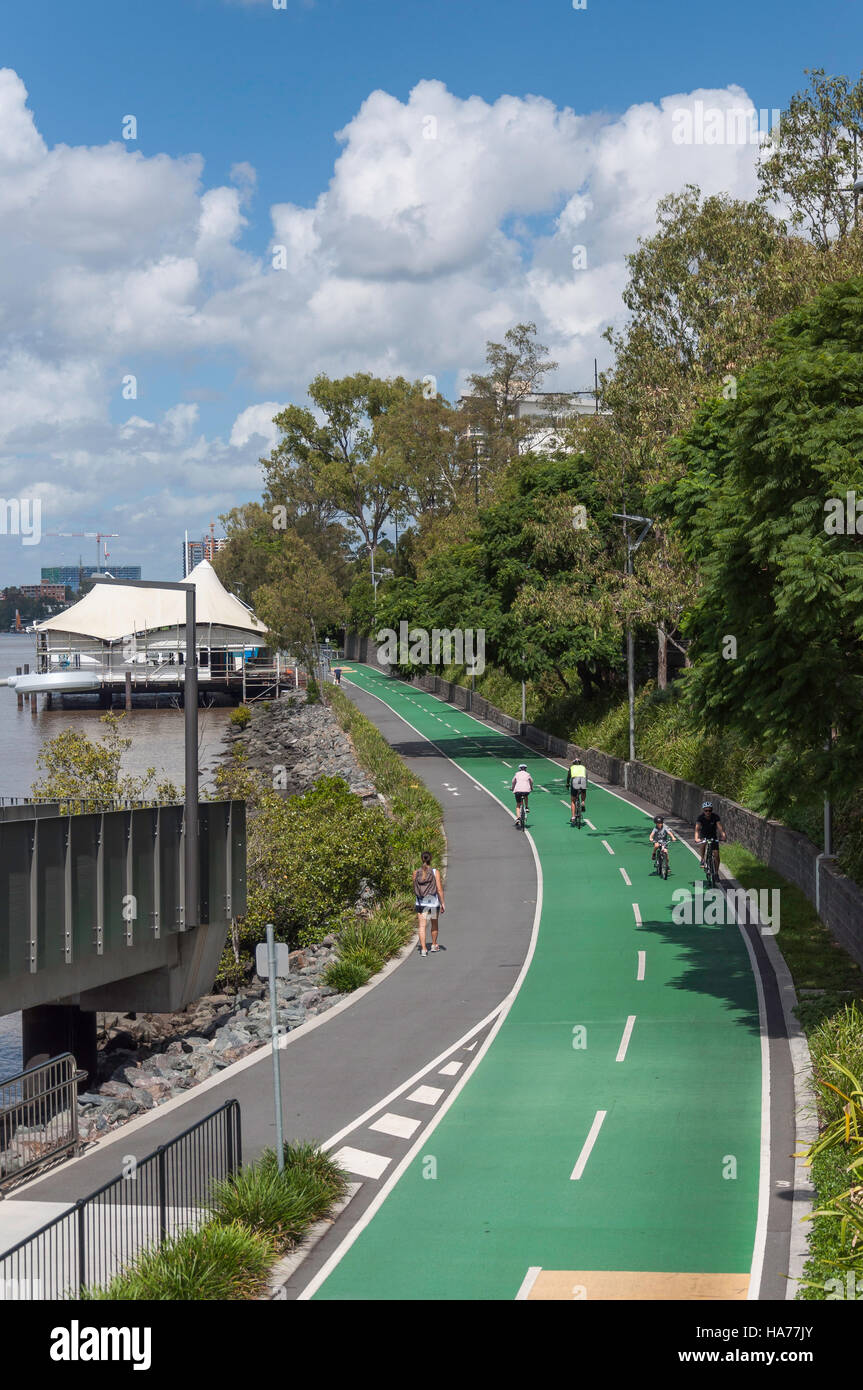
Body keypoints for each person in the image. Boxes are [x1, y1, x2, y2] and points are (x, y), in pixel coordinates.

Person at [413, 850, 445, 956]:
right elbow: (439, 889)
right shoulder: (435, 872)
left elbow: (414, 888)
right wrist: (442, 903)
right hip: (432, 902)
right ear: (430, 859)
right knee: (434, 924)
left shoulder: (416, 872)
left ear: (421, 859)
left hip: (420, 903)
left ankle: (423, 949)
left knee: (422, 926)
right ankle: (434, 945)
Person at [694, 801, 726, 874]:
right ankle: (702, 859)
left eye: (710, 810)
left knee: (716, 855)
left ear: (712, 810)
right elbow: (697, 829)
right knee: (703, 843)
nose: (708, 812)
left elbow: (720, 827)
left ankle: (716, 873)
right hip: (704, 835)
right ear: (703, 810)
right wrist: (696, 838)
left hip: (713, 836)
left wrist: (723, 835)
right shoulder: (700, 818)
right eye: (706, 810)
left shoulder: (715, 817)